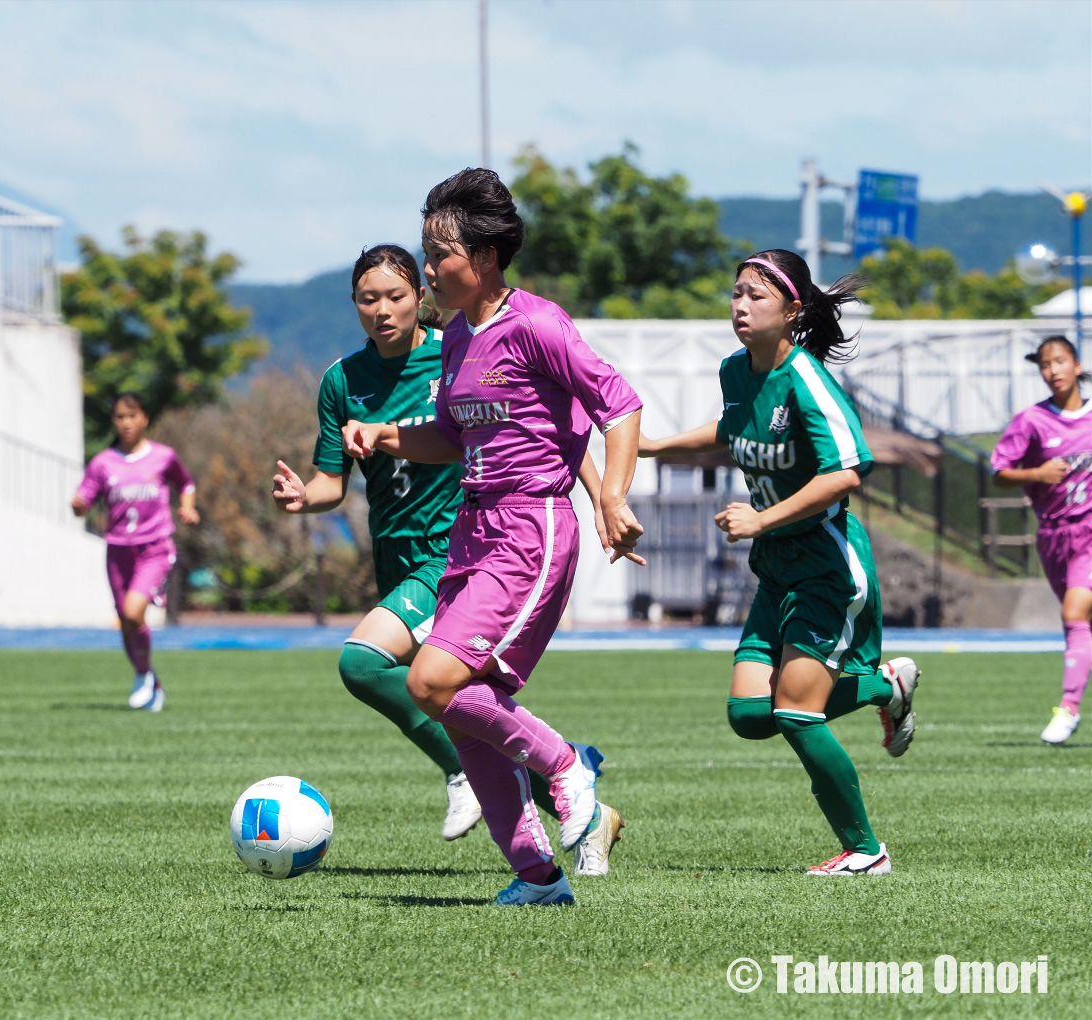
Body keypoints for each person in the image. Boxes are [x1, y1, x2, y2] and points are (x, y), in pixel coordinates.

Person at [273, 243, 626, 876]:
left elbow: (559, 427)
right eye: (367, 298)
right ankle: (560, 842)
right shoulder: (342, 381)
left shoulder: (459, 344)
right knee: (464, 703)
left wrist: (605, 499)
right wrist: (305, 497)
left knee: (365, 663)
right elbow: (333, 481)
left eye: (397, 295)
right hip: (400, 554)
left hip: (457, 548)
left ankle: (489, 769)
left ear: (418, 298)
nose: (382, 310)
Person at [342, 170, 645, 905]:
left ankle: (568, 768)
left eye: (437, 255)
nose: (430, 270)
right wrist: (388, 437)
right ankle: (537, 877)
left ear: (480, 257)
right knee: (460, 703)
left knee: (430, 681)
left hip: (530, 526)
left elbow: (619, 402)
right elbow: (450, 434)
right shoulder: (456, 341)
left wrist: (610, 493)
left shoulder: (538, 324)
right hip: (473, 532)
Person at [637, 249, 920, 876]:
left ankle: (866, 851)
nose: (740, 305)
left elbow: (847, 471)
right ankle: (883, 685)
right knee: (748, 716)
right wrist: (657, 445)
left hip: (826, 564)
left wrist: (763, 517)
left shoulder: (808, 380)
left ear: (792, 310)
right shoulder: (736, 370)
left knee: (796, 713)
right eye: (736, 292)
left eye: (756, 296)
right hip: (777, 567)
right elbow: (731, 428)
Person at [992, 334, 1092, 744]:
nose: (1053, 371)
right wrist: (1036, 474)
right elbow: (999, 471)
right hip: (1052, 536)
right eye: (1045, 365)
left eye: (1060, 361)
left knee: (1074, 613)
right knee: (1082, 623)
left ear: (1077, 366)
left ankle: (1068, 707)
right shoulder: (1031, 421)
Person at [73, 393, 199, 711]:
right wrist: (78, 505)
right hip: (117, 551)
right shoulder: (103, 462)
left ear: (144, 418)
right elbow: (83, 499)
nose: (126, 423)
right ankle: (148, 678)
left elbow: (186, 484)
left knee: (132, 613)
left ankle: (144, 674)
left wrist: (187, 508)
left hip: (154, 547)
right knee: (127, 620)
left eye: (132, 415)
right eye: (119, 417)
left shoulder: (163, 456)